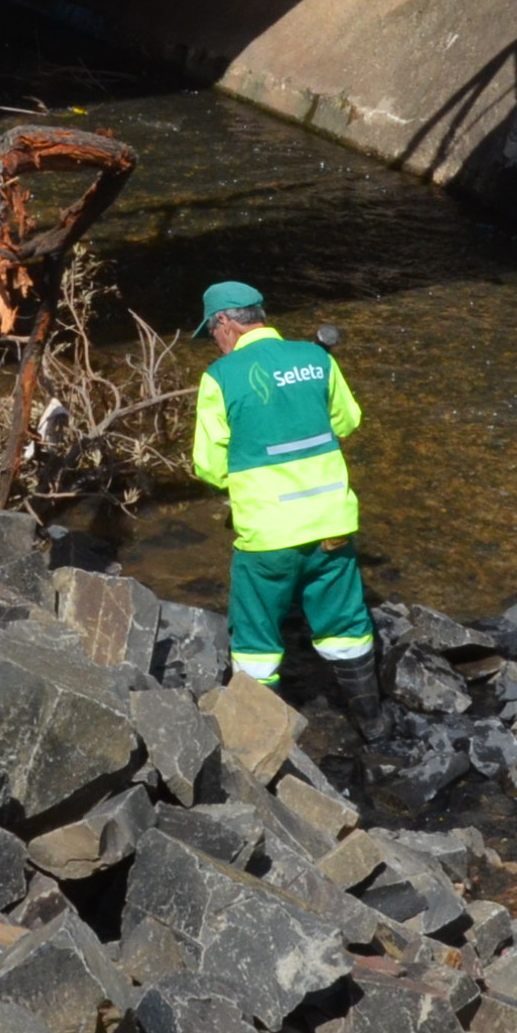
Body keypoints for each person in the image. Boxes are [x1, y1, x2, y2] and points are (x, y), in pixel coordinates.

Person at [187, 280, 389, 734]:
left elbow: (207, 465)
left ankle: (266, 745)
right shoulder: (316, 358)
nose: (215, 345)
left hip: (268, 536)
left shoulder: (220, 378)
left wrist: (239, 477)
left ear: (226, 323)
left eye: (213, 334)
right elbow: (348, 421)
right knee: (345, 623)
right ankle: (374, 726)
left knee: (257, 638)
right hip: (332, 527)